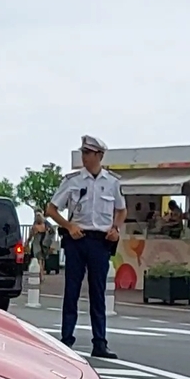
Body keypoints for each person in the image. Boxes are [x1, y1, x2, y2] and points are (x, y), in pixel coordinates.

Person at [43, 134, 125, 359]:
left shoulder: (112, 182)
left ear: (99, 156)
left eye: (88, 153)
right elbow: (51, 209)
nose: (85, 157)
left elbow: (121, 209)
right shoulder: (73, 181)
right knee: (72, 291)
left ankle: (100, 342)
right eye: (83, 153)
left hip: (100, 241)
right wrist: (69, 226)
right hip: (77, 240)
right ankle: (66, 340)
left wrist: (115, 228)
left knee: (98, 293)